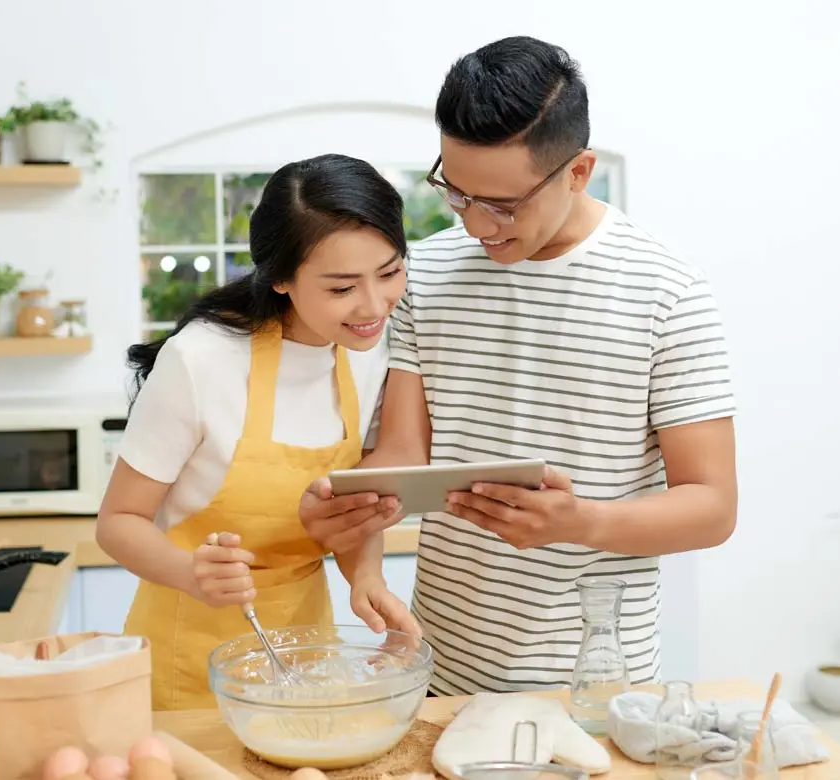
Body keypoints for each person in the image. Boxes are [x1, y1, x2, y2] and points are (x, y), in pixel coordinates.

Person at [299, 36, 738, 696]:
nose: (477, 225)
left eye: (503, 204)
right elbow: (403, 453)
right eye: (457, 192)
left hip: (594, 689)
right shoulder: (429, 274)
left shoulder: (667, 292)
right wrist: (347, 505)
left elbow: (712, 507)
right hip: (439, 679)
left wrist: (582, 521)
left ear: (579, 171)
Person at [97, 153, 421, 711]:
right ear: (279, 280)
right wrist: (192, 572)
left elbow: (348, 505)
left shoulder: (367, 352)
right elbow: (117, 523)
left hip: (304, 650)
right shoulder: (200, 360)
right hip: (190, 663)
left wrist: (365, 575)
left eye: (389, 272)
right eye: (342, 288)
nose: (373, 305)